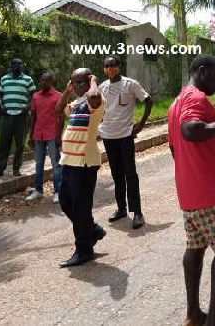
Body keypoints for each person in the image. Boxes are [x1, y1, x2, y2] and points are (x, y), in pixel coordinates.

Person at [168, 55, 215, 326]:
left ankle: (193, 314)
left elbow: (174, 148)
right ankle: (214, 321)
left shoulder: (176, 102)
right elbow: (191, 130)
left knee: (195, 247)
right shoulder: (196, 99)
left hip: (190, 194)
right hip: (213, 194)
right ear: (202, 71)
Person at [56, 69, 107, 268]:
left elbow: (94, 96)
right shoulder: (76, 104)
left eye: (80, 83)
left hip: (85, 164)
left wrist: (93, 82)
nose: (77, 86)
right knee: (65, 201)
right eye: (74, 82)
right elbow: (58, 110)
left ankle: (84, 250)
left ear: (88, 82)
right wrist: (67, 91)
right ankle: (92, 230)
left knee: (80, 207)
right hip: (69, 161)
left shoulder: (96, 102)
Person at [99, 55, 153, 229]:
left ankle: (137, 212)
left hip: (125, 135)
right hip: (108, 136)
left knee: (130, 173)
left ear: (119, 66)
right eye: (107, 66)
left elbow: (148, 100)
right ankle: (121, 208)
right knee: (116, 174)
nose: (110, 69)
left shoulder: (130, 84)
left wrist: (141, 123)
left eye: (113, 65)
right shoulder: (102, 87)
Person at [0, 58, 36, 179]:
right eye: (14, 64)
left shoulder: (28, 79)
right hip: (6, 116)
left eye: (19, 64)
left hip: (22, 116)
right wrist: (1, 107)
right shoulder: (4, 79)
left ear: (23, 66)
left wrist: (27, 108)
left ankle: (16, 169)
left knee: (20, 144)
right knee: (2, 143)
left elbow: (33, 96)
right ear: (10, 66)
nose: (17, 66)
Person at [26, 72, 62, 203]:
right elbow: (33, 117)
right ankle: (39, 190)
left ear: (51, 82)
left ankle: (58, 191)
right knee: (38, 163)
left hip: (52, 134)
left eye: (46, 80)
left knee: (56, 163)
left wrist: (59, 135)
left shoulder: (58, 96)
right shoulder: (35, 96)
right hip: (38, 134)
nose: (43, 83)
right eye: (42, 80)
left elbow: (61, 118)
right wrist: (30, 136)